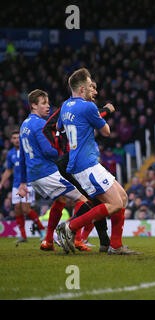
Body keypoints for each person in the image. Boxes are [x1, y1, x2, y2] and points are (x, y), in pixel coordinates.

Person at [55, 68, 139, 255]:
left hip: (80, 163)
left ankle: (115, 245)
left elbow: (60, 127)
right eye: (90, 85)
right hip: (86, 164)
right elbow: (106, 131)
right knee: (115, 204)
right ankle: (70, 227)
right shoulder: (88, 107)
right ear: (83, 89)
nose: (94, 90)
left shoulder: (65, 106)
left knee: (123, 197)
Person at [42, 80, 113, 252]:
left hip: (78, 160)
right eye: (92, 88)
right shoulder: (71, 107)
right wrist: (61, 148)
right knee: (92, 200)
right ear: (82, 89)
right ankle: (69, 231)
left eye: (96, 88)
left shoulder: (78, 108)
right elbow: (49, 128)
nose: (95, 92)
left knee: (94, 200)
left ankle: (90, 239)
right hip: (72, 160)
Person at [17, 89, 91, 252]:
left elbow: (22, 156)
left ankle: (48, 241)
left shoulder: (24, 125)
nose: (48, 106)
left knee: (61, 201)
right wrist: (64, 148)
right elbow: (48, 151)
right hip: (46, 173)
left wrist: (23, 182)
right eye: (43, 103)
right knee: (84, 199)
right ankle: (73, 236)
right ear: (34, 106)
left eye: (48, 102)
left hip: (33, 176)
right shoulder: (40, 124)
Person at [0, 130, 45, 244]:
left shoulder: (28, 150)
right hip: (16, 185)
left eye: (17, 137)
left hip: (28, 184)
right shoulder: (10, 154)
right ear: (11, 140)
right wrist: (1, 183)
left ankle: (42, 230)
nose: (16, 140)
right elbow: (9, 170)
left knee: (26, 209)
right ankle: (23, 236)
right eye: (13, 138)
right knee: (17, 210)